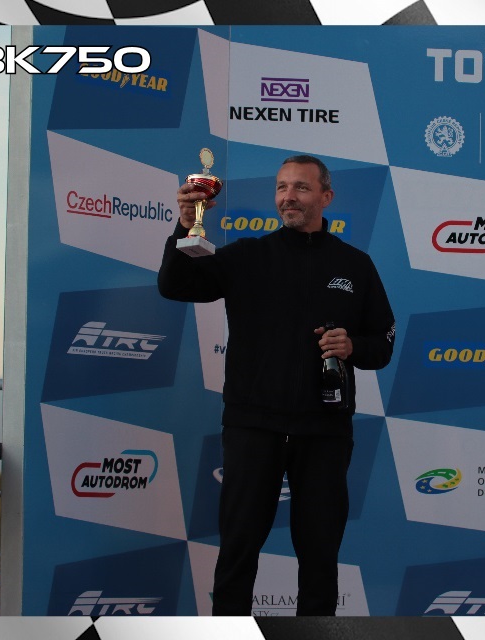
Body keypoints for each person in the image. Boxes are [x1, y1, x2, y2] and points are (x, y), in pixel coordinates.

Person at [158, 154, 395, 616]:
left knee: (320, 558)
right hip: (253, 428)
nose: (289, 197)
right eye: (282, 187)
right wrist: (186, 226)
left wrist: (352, 345)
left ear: (326, 196)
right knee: (238, 552)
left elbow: (382, 343)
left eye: (301, 187)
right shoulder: (248, 255)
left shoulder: (356, 265)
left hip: (325, 431)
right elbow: (176, 284)